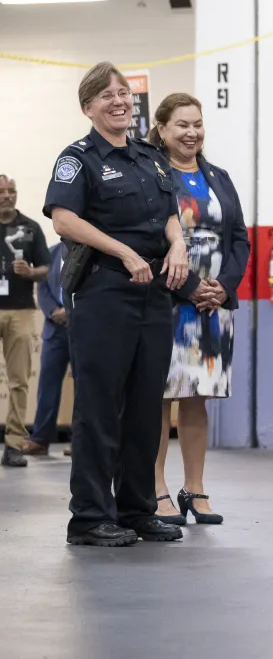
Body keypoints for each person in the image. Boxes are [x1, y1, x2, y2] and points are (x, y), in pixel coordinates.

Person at [43, 62, 197, 547]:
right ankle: (89, 516)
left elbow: (171, 213)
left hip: (153, 292)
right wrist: (124, 251)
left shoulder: (150, 157)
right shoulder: (78, 158)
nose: (119, 101)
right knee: (99, 405)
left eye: (124, 94)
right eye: (106, 95)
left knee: (146, 405)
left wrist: (178, 246)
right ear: (88, 107)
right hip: (105, 291)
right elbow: (64, 220)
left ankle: (136, 509)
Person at [147, 92, 250, 526]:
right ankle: (156, 491)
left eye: (198, 124)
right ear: (163, 128)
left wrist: (222, 288)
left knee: (196, 401)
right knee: (159, 400)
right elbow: (148, 237)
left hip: (212, 307)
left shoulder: (219, 177)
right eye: (182, 125)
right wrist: (191, 287)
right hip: (167, 299)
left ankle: (196, 489)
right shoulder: (150, 173)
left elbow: (239, 239)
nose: (192, 133)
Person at [0, 173, 52, 467]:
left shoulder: (30, 228)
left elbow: (45, 267)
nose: (7, 195)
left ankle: (14, 444)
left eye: (11, 190)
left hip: (20, 309)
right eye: (2, 191)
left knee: (19, 380)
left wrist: (30, 273)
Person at [25, 241, 72, 457]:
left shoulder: (93, 250)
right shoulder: (50, 253)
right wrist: (54, 310)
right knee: (47, 385)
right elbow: (42, 288)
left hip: (83, 328)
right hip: (54, 330)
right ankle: (40, 439)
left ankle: (81, 442)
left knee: (86, 389)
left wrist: (70, 313)